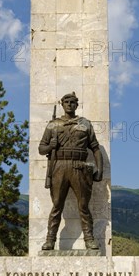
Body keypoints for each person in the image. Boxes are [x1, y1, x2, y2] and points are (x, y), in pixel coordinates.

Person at [39, 92, 103, 251]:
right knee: (56, 205)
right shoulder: (53, 124)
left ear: (77, 104)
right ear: (62, 104)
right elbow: (41, 149)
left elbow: (95, 148)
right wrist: (50, 146)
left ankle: (89, 239)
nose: (69, 104)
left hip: (79, 166)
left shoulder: (85, 124)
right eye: (66, 101)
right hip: (59, 166)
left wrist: (99, 169)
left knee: (83, 205)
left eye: (73, 102)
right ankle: (50, 240)